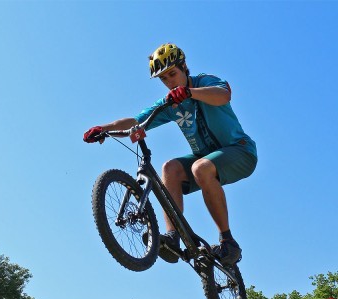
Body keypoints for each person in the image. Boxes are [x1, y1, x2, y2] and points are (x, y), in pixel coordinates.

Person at [83, 43, 257, 266]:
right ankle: (172, 237)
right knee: (169, 168)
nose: (169, 82)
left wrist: (190, 92)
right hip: (205, 160)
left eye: (172, 74)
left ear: (184, 67)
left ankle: (228, 241)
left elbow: (223, 95)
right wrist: (104, 129)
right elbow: (137, 122)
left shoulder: (204, 82)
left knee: (200, 168)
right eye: (163, 79)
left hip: (239, 151)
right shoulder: (171, 104)